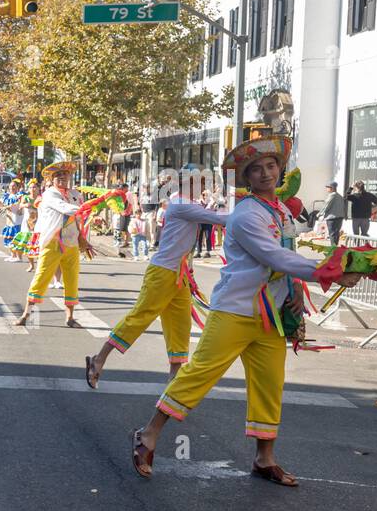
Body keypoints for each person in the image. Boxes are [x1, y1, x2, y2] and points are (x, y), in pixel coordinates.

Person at [130, 137, 361, 487]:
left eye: (271, 166)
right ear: (247, 177)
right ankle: (148, 434)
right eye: (257, 169)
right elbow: (275, 257)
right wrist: (330, 271)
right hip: (235, 311)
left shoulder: (280, 211)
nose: (266, 173)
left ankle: (264, 458)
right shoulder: (246, 215)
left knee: (270, 385)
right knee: (197, 375)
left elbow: (287, 252)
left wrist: (296, 288)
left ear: (279, 170)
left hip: (270, 315)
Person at [85, 170, 231, 388]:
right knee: (139, 318)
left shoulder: (182, 202)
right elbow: (222, 218)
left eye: (203, 183)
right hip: (162, 272)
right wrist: (245, 205)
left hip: (179, 276)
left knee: (180, 327)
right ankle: (99, 359)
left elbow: (212, 214)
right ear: (183, 184)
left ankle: (173, 382)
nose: (202, 187)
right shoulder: (182, 205)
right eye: (198, 183)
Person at [14, 162, 87, 327]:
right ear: (52, 179)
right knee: (41, 277)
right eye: (58, 175)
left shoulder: (76, 194)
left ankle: (70, 318)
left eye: (65, 174)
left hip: (71, 243)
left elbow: (78, 218)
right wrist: (89, 208)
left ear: (69, 177)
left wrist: (83, 237)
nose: (62, 177)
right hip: (52, 243)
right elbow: (67, 209)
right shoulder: (49, 194)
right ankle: (26, 314)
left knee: (72, 280)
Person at [323, 181, 346, 246]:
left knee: (332, 234)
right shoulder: (340, 196)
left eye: (327, 187)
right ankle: (335, 246)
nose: (326, 188)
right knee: (336, 233)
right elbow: (343, 207)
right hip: (340, 218)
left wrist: (319, 214)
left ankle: (333, 248)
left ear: (332, 188)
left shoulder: (332, 195)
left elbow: (326, 206)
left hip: (331, 218)